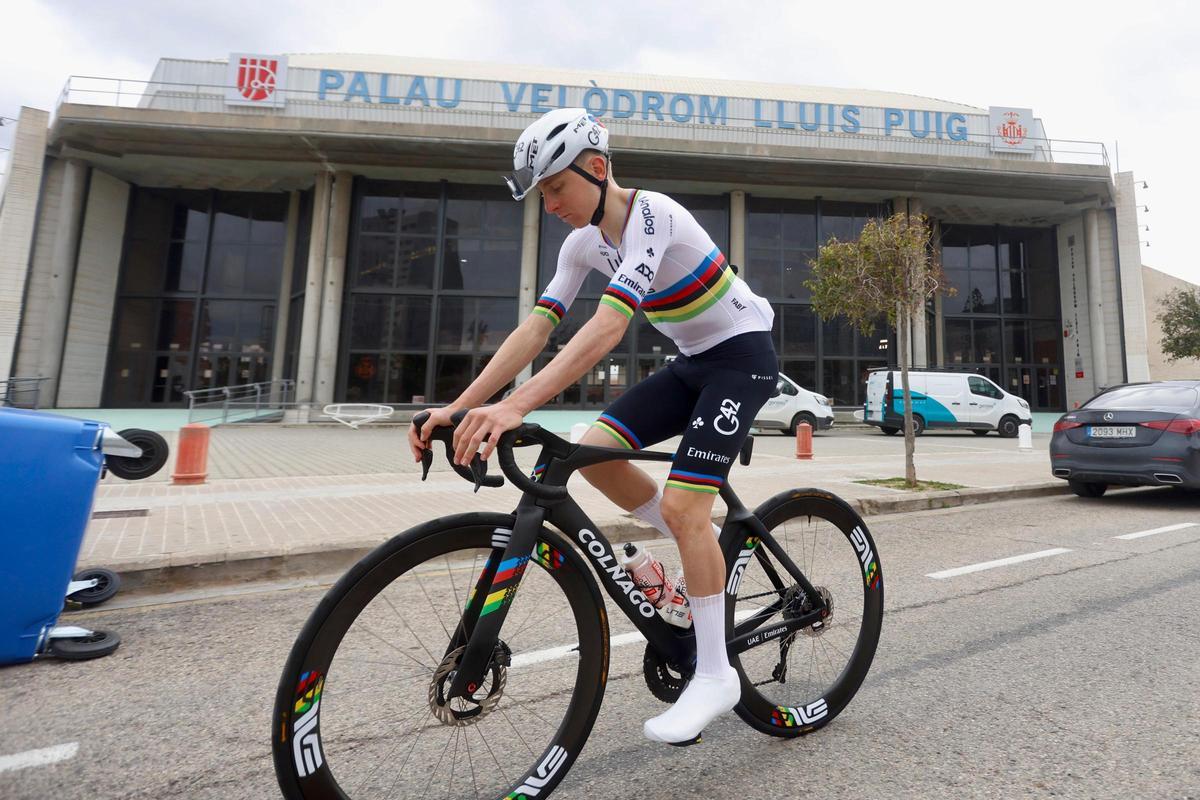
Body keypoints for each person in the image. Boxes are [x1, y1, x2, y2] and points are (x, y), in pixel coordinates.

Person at [408, 107, 778, 745]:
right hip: (692, 364)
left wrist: (517, 406)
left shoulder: (653, 216)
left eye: (554, 187)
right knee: (594, 455)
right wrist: (462, 406)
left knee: (688, 508)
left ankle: (717, 674)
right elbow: (538, 327)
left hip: (743, 358)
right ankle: (703, 547)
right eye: (541, 194)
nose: (548, 204)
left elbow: (608, 327)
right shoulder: (583, 243)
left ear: (598, 168)